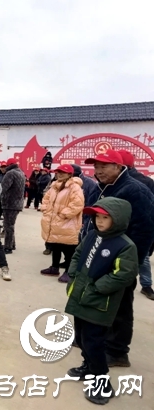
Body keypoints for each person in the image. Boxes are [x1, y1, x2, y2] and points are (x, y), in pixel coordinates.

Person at [83, 149, 154, 368]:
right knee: (98, 299)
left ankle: (117, 351)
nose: (98, 170)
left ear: (118, 166)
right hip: (99, 254)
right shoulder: (101, 188)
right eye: (96, 166)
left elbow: (144, 230)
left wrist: (129, 264)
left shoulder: (134, 190)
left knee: (120, 305)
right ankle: (94, 340)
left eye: (104, 166)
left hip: (120, 259)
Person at [64, 198, 138, 405]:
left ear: (119, 219)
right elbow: (78, 255)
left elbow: (123, 274)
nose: (100, 221)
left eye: (105, 217)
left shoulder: (124, 245)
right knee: (81, 336)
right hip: (80, 296)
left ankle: (102, 383)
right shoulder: (92, 236)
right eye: (97, 216)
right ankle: (88, 367)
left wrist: (97, 288)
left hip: (99, 303)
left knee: (94, 341)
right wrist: (73, 274)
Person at [118, 149, 154, 301]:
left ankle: (145, 284)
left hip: (132, 227)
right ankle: (146, 286)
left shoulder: (141, 182)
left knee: (141, 257)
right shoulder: (110, 181)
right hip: (124, 227)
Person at [39, 164, 84, 282]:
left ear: (70, 174)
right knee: (55, 245)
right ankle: (54, 267)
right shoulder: (54, 186)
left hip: (67, 223)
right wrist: (46, 209)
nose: (59, 174)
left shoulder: (74, 187)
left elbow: (77, 204)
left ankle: (69, 271)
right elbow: (46, 199)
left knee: (68, 249)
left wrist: (63, 214)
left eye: (63, 172)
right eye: (58, 172)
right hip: (54, 222)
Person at [0, 158, 25, 254]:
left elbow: (3, 188)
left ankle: (8, 247)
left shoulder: (10, 173)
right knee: (10, 225)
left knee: (8, 226)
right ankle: (11, 244)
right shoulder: (20, 172)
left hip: (9, 203)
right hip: (17, 203)